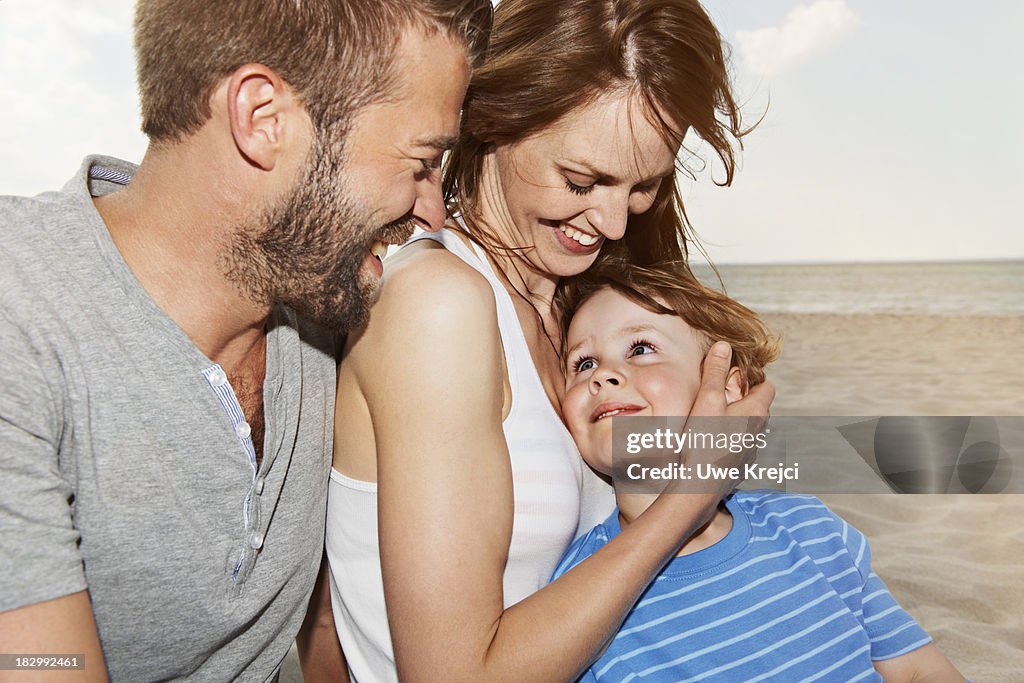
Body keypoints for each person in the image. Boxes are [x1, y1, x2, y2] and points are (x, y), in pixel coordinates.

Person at [0, 1, 491, 680]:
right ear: (263, 120)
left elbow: (328, 620)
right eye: (421, 162)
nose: (431, 210)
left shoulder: (325, 301)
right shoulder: (19, 316)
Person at [314, 0, 774, 680]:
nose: (614, 220)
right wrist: (686, 502)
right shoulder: (436, 304)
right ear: (495, 119)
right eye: (584, 181)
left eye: (644, 184)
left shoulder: (578, 314)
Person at [552, 255, 967, 682]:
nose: (603, 376)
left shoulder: (808, 528)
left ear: (728, 388)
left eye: (640, 349)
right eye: (583, 363)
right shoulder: (578, 589)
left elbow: (917, 669)